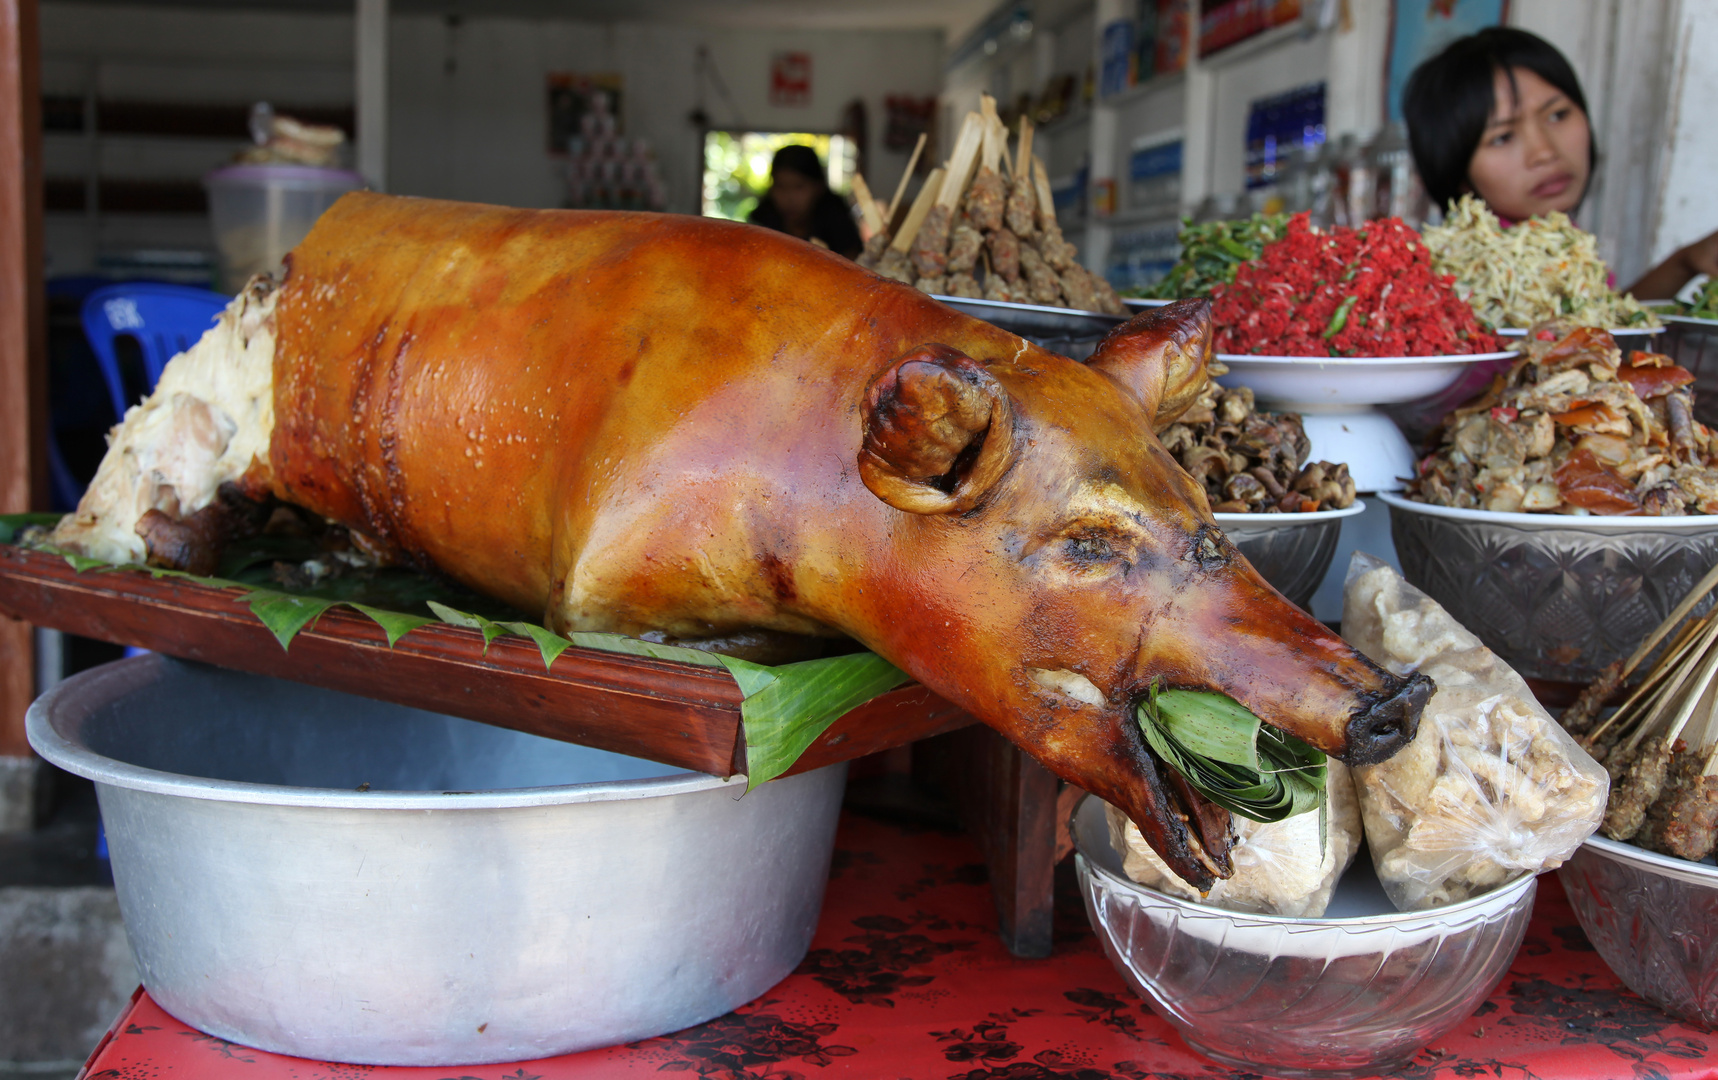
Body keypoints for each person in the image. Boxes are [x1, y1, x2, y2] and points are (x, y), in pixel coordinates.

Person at [1402, 27, 1717, 300]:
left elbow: (1604, 329)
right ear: (1457, 170)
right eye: (1502, 137)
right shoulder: (1461, 274)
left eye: (1557, 115)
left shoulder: (1564, 250)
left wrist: (1684, 263)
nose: (1544, 152)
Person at [748, 145, 862, 259]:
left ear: (818, 187)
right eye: (781, 186)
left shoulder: (840, 228)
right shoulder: (760, 228)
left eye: (799, 187)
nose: (789, 197)